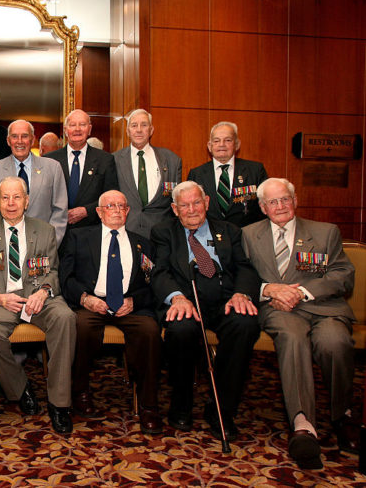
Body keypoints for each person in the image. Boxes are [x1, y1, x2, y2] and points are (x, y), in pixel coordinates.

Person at [242, 178, 359, 469]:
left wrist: (303, 292)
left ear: (295, 201)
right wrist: (268, 290)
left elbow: (343, 275)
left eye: (284, 199)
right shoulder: (247, 234)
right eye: (272, 202)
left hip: (323, 309)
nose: (279, 206)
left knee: (335, 343)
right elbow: (240, 275)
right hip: (277, 310)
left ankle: (342, 415)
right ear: (262, 207)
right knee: (292, 338)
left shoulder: (325, 232)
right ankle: (303, 424)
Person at [151, 181, 260, 441]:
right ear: (175, 209)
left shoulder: (230, 231)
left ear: (207, 203)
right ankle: (181, 402)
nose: (191, 210)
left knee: (246, 324)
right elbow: (160, 271)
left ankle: (222, 408)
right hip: (186, 298)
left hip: (224, 300)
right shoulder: (163, 232)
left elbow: (244, 267)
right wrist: (176, 298)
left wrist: (240, 293)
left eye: (196, 203)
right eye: (184, 205)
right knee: (180, 330)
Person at [60, 190, 162, 434]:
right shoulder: (78, 237)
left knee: (150, 330)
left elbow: (153, 284)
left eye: (121, 206)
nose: (116, 210)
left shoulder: (143, 243)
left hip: (130, 305)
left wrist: (134, 301)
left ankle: (149, 404)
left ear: (128, 211)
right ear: (99, 211)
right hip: (92, 303)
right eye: (109, 206)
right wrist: (85, 299)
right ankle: (80, 392)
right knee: (81, 326)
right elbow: (65, 278)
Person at [0, 177, 76, 434]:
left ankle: (59, 403)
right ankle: (20, 388)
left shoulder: (44, 230)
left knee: (65, 318)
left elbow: (52, 270)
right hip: (3, 300)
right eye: (5, 198)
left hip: (39, 298)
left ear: (27, 201)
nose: (11, 203)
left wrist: (44, 292)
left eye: (17, 197)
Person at [0, 120, 68, 245]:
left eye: (24, 136)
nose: (19, 141)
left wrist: (49, 243)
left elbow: (60, 211)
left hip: (42, 246)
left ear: (33, 140)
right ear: (8, 141)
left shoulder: (53, 168)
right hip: (6, 245)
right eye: (14, 136)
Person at [114, 109, 182, 239]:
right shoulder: (114, 160)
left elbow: (175, 200)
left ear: (151, 130)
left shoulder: (172, 160)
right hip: (126, 231)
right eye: (134, 125)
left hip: (162, 234)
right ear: (128, 131)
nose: (139, 130)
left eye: (144, 125)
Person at [48, 109, 118, 230]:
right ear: (65, 130)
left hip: (91, 230)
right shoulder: (50, 160)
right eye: (73, 125)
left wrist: (87, 211)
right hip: (56, 232)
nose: (77, 129)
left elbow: (111, 196)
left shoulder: (105, 160)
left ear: (89, 129)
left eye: (82, 125)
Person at [188, 121, 268, 227]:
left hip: (245, 236)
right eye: (216, 141)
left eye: (228, 140)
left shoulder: (255, 170)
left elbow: (266, 205)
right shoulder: (197, 174)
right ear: (209, 146)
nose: (221, 144)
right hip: (209, 236)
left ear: (237, 144)